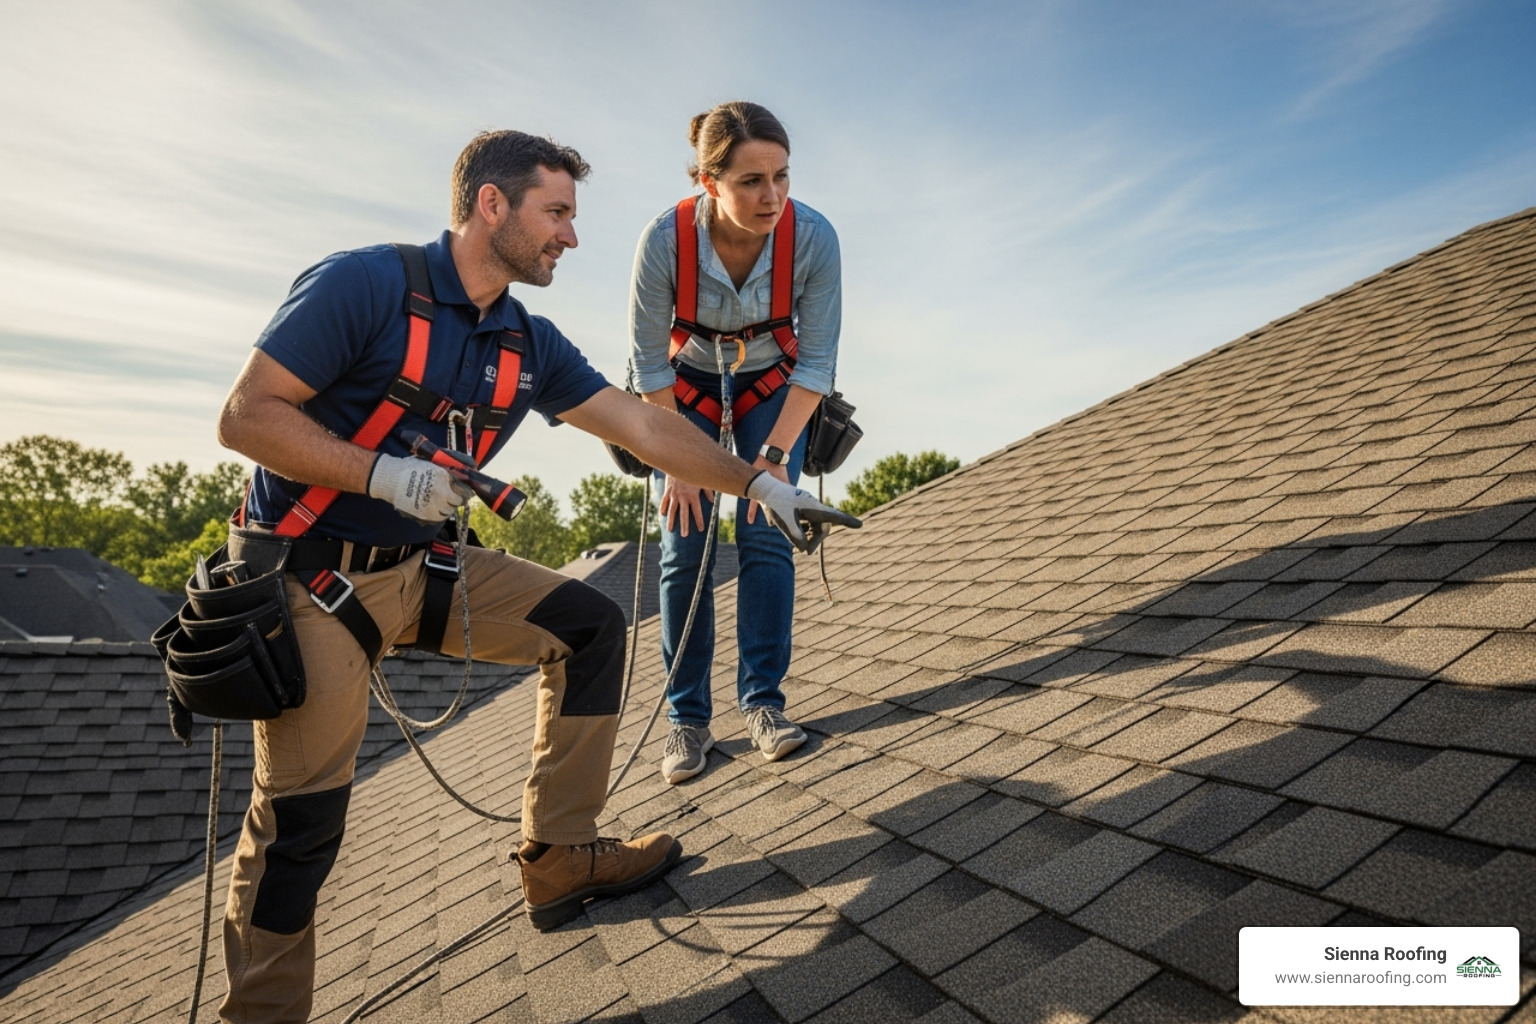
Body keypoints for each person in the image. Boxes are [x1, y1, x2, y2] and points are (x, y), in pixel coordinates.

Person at [214, 129, 853, 1024]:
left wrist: (756, 481)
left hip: (422, 567)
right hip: (311, 580)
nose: (571, 237)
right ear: (491, 205)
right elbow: (245, 418)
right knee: (299, 827)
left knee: (589, 627)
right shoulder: (363, 284)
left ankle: (557, 858)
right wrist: (379, 474)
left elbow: (641, 426)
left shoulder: (526, 339)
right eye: (556, 213)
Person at [629, 102, 841, 785]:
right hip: (680, 389)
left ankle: (764, 705)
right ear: (706, 180)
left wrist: (773, 461)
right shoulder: (661, 243)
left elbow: (815, 366)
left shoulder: (814, 239)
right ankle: (688, 721)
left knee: (765, 529)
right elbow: (649, 366)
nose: (771, 196)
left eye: (780, 176)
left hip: (774, 385)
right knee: (685, 543)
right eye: (750, 181)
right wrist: (677, 465)